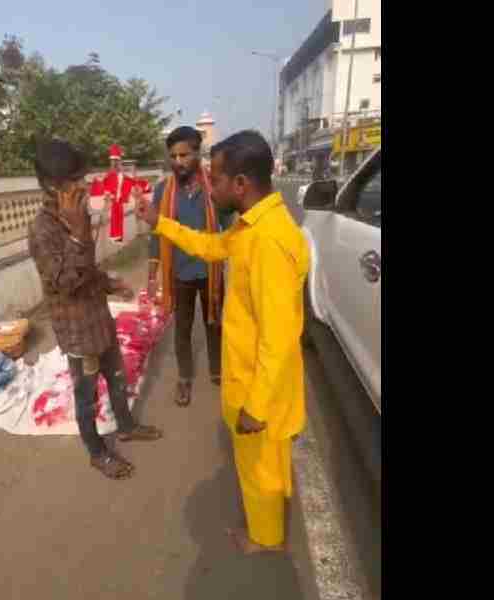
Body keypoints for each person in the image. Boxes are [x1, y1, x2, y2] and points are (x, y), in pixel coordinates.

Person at [136, 130, 309, 554]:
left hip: (258, 389)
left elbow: (280, 335)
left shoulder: (268, 239)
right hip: (254, 379)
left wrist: (256, 403)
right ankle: (270, 528)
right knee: (266, 468)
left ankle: (264, 540)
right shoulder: (255, 225)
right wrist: (160, 224)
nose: (208, 186)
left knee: (260, 472)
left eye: (215, 178)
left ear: (241, 184)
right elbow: (212, 247)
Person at [29, 138, 163, 481]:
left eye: (82, 177)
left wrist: (110, 283)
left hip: (99, 320)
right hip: (76, 332)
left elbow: (87, 270)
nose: (84, 185)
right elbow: (66, 282)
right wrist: (77, 235)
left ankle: (127, 426)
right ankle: (97, 452)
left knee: (117, 381)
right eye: (75, 179)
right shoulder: (42, 229)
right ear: (51, 185)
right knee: (86, 397)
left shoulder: (77, 215)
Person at [147, 126, 231, 407]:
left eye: (184, 154)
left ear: (197, 153)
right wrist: (151, 274)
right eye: (173, 156)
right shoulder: (163, 190)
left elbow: (228, 228)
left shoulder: (215, 186)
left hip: (210, 271)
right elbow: (157, 232)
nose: (178, 161)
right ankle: (184, 378)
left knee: (214, 323)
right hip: (179, 272)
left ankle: (217, 370)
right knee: (181, 328)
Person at [101, 144, 135, 243]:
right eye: (113, 161)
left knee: (119, 218)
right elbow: (105, 184)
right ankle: (115, 237)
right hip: (113, 199)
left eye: (117, 161)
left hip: (119, 199)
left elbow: (129, 181)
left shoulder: (121, 174)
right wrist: (107, 193)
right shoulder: (110, 174)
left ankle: (118, 237)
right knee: (114, 218)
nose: (115, 163)